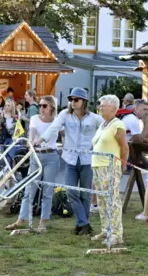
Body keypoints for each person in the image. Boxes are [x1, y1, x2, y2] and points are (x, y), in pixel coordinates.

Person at [35, 87, 103, 235]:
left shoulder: (93, 117)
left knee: (85, 194)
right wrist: (40, 139)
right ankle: (83, 223)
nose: (73, 102)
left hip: (87, 160)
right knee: (71, 192)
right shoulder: (64, 115)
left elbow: (107, 127)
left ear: (83, 101)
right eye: (71, 99)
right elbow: (54, 128)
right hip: (70, 160)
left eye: (76, 99)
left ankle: (82, 226)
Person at [5, 96, 59, 232]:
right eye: (40, 105)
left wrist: (63, 146)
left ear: (52, 107)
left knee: (47, 190)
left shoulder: (57, 122)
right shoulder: (35, 119)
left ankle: (43, 222)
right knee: (30, 189)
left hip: (52, 156)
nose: (41, 108)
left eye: (44, 106)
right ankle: (21, 219)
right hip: (36, 155)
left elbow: (64, 134)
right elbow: (32, 133)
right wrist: (31, 143)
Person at [91, 95, 128, 245]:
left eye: (103, 105)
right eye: (100, 105)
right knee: (101, 200)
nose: (100, 107)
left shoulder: (118, 125)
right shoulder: (103, 124)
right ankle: (106, 229)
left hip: (110, 166)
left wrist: (123, 164)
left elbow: (124, 147)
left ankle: (116, 234)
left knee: (112, 200)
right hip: (97, 165)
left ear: (113, 108)